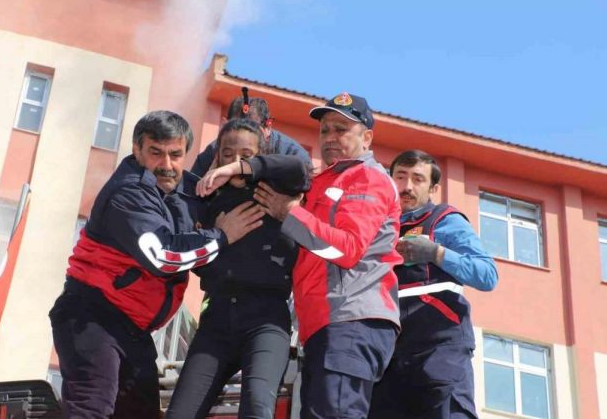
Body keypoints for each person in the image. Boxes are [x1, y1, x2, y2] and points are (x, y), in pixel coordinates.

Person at [48, 111, 264, 419]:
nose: (167, 164)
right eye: (155, 152)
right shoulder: (128, 192)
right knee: (91, 408)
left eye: (175, 155)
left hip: (133, 329)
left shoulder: (185, 189)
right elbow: (164, 256)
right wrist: (221, 236)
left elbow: (263, 173)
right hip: (92, 315)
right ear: (137, 150)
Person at [254, 92, 403, 418]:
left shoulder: (368, 177)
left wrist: (290, 212)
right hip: (326, 325)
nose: (330, 138)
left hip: (351, 320)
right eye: (325, 130)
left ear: (367, 137)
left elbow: (346, 249)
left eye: (341, 129)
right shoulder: (323, 180)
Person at [166, 118, 310, 419]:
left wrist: (241, 169)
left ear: (262, 156)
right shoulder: (207, 199)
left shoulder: (278, 191)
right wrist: (217, 235)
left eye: (246, 155)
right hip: (217, 320)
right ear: (216, 155)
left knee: (257, 405)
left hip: (267, 319)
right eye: (227, 154)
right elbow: (197, 266)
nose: (234, 161)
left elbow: (300, 169)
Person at [368, 149, 498, 419]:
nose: (406, 187)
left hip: (438, 343)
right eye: (400, 177)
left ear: (433, 188)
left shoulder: (445, 219)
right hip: (386, 348)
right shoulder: (374, 225)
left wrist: (436, 253)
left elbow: (486, 275)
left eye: (417, 179)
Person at [190, 87, 311, 177]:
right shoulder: (213, 151)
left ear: (268, 127)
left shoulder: (292, 152)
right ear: (224, 125)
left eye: (251, 130)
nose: (243, 138)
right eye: (236, 128)